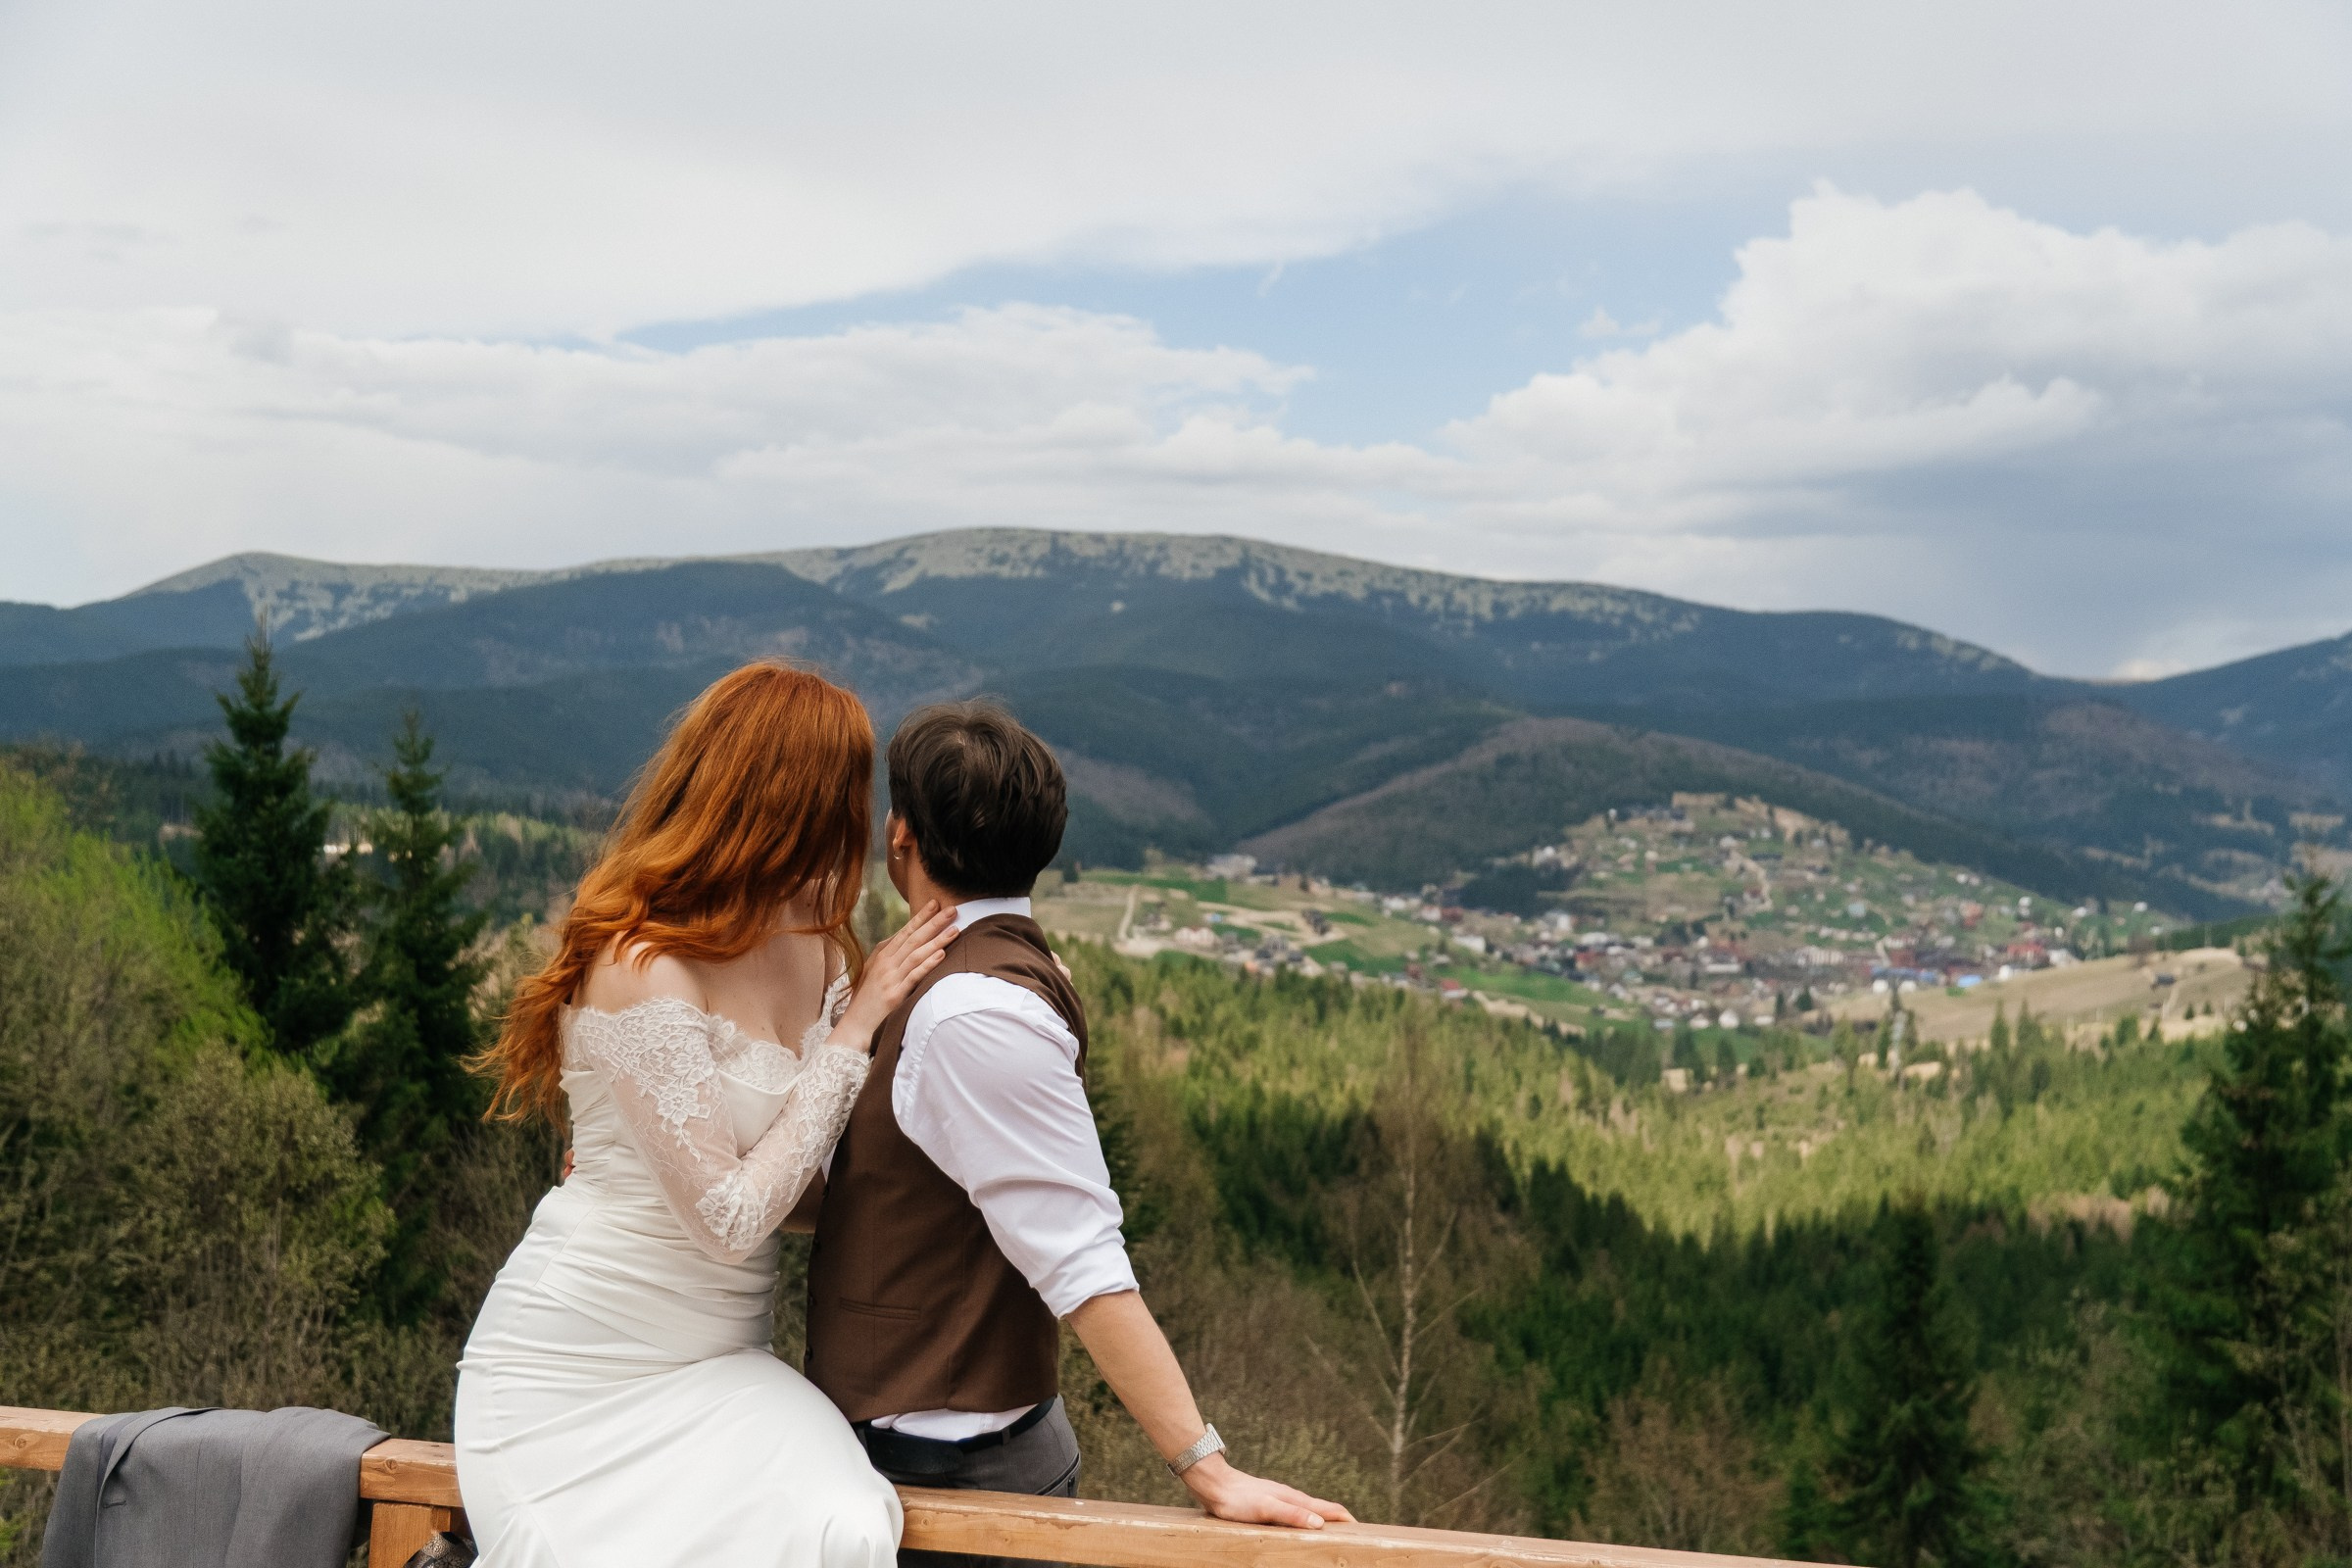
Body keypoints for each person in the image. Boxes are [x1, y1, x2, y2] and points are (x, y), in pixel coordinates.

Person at [804, 701, 1352, 1567]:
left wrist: (1205, 1467)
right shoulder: (969, 968)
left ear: (899, 837)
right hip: (910, 1455)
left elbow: (1082, 1260)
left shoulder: (972, 1013)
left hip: (957, 1475)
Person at [455, 662, 958, 1568]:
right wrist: (852, 1035)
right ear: (787, 800)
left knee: (843, 1525)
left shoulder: (819, 953)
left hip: (725, 1363)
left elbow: (791, 1194)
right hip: (575, 1370)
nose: (862, 819)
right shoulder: (640, 962)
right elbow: (728, 1219)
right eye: (847, 791)